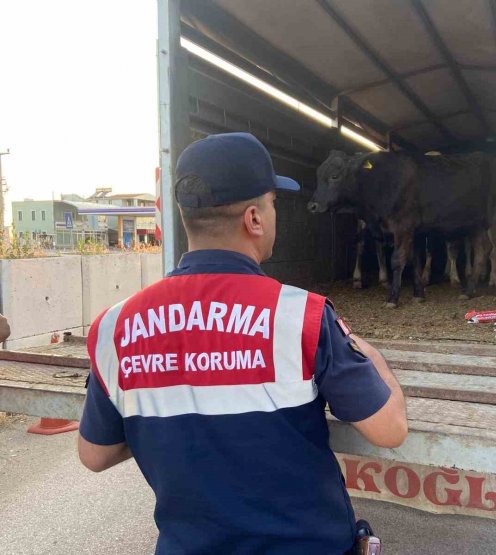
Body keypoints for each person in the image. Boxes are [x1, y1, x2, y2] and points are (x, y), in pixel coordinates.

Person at [77, 132, 408, 554]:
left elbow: (95, 455)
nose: (273, 215)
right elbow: (389, 429)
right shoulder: (300, 317)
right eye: (273, 204)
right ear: (254, 219)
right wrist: (372, 356)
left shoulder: (115, 328)